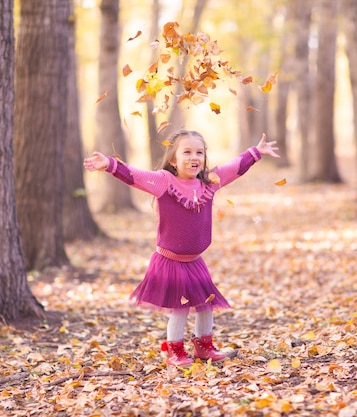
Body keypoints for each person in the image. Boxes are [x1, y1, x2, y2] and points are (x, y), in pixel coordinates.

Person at [83, 129, 280, 366]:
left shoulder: (209, 182)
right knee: (181, 308)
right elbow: (135, 175)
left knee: (205, 305)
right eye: (187, 152)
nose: (194, 157)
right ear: (174, 160)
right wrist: (109, 164)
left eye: (199, 152)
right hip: (171, 259)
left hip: (195, 261)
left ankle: (204, 347)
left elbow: (233, 167)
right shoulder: (165, 182)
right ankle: (174, 351)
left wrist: (256, 152)